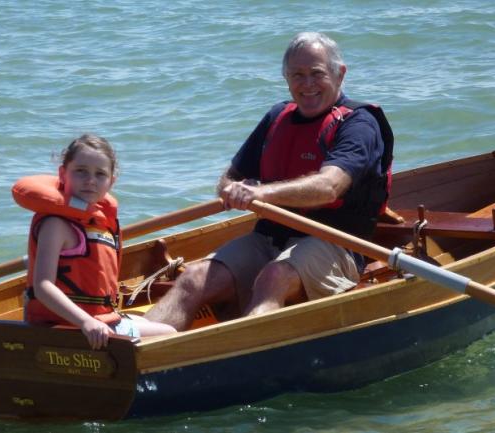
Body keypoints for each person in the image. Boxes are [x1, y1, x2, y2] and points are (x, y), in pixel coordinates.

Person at [145, 32, 394, 331]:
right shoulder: (278, 117)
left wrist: (260, 193)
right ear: (286, 79)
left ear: (340, 74)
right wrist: (232, 190)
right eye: (297, 75)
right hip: (269, 239)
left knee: (273, 278)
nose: (307, 84)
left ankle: (234, 355)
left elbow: (329, 187)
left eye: (317, 73)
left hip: (336, 243)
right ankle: (138, 351)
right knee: (192, 279)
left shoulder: (359, 124)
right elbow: (227, 180)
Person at [13, 134, 176, 349]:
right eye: (81, 171)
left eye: (100, 174)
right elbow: (43, 287)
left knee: (148, 323)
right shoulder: (56, 225)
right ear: (63, 174)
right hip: (68, 326)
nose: (90, 180)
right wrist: (86, 322)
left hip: (99, 320)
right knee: (170, 335)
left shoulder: (98, 224)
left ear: (111, 181)